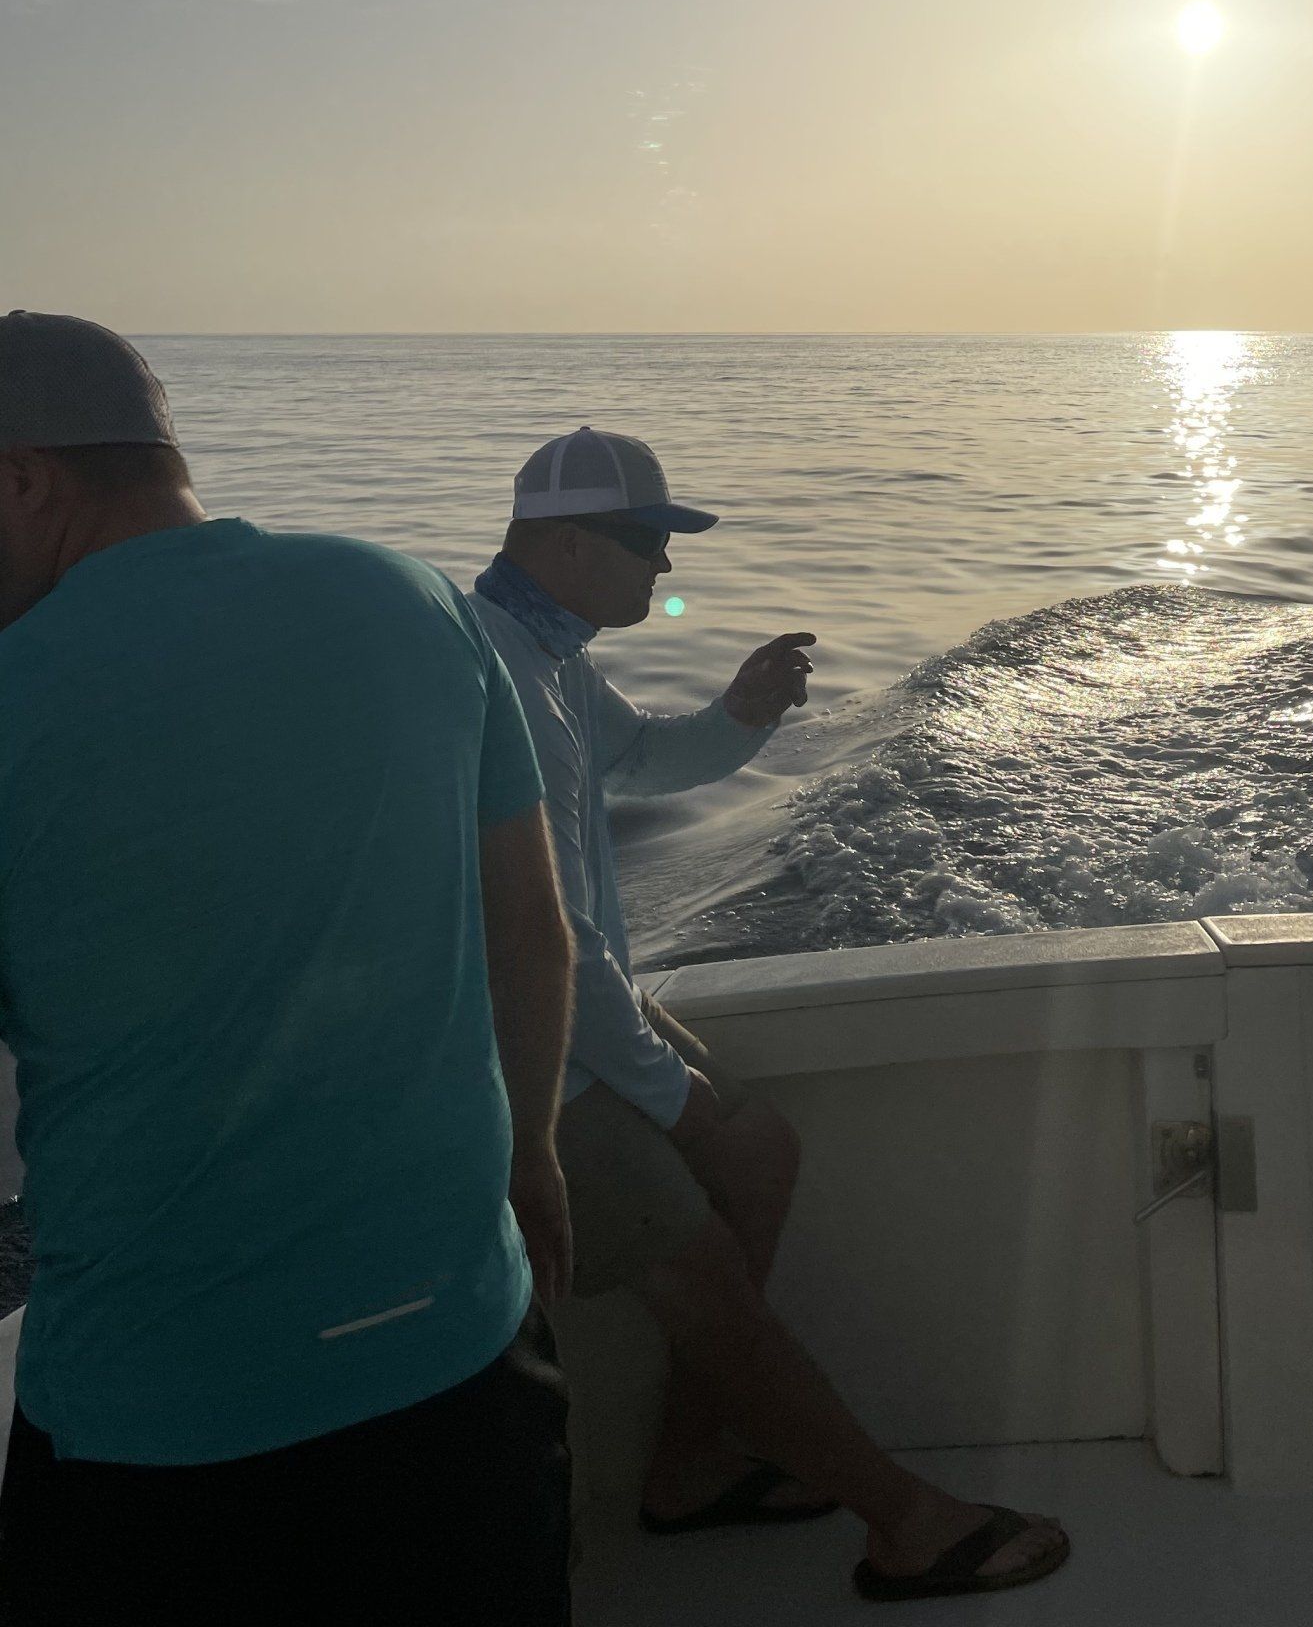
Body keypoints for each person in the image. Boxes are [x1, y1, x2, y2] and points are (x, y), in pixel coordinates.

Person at [0, 314, 578, 1624]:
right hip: (469, 1372)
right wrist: (531, 1155)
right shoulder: (416, 597)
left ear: (26, 479)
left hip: (161, 1438)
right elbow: (530, 930)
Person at [473, 425, 1070, 1603]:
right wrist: (666, 1097)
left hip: (574, 1010)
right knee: (699, 1270)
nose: (662, 569)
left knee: (762, 1155)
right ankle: (905, 1523)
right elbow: (552, 940)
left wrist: (740, 712)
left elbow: (643, 761)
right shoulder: (502, 676)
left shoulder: (551, 657)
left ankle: (691, 1466)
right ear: (560, 538)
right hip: (521, 1056)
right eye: (645, 541)